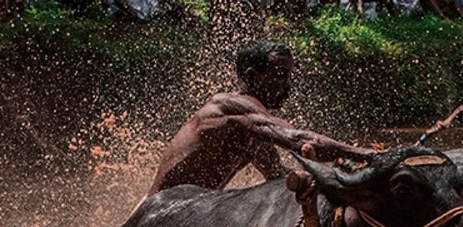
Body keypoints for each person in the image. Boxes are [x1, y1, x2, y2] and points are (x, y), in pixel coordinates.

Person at [146, 39, 377, 197]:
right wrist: (369, 155)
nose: (287, 86)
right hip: (156, 216)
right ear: (252, 76)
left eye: (288, 77)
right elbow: (298, 140)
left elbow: (276, 175)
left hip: (183, 213)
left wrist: (336, 179)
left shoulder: (254, 132)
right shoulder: (227, 106)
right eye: (279, 76)